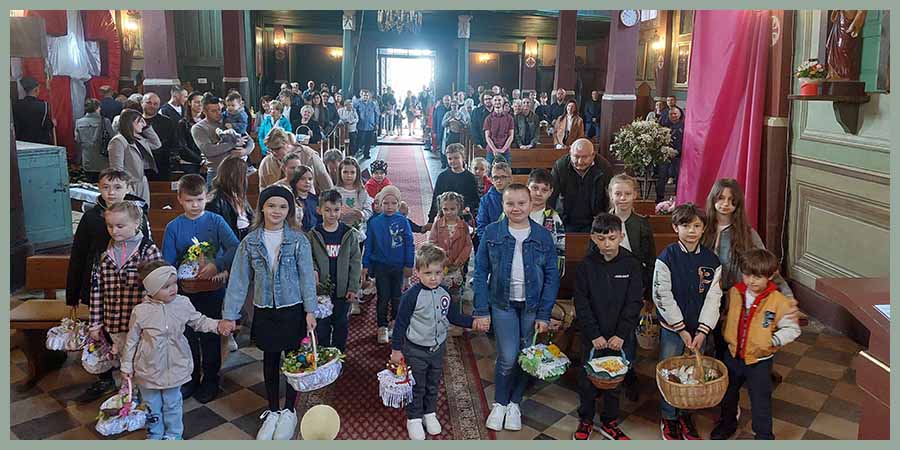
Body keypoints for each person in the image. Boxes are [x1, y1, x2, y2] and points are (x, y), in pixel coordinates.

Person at [220, 185, 318, 440]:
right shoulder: (250, 242)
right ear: (262, 208)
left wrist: (310, 310)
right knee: (270, 360)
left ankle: (289, 410)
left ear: (289, 210)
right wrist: (230, 314)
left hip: (293, 309)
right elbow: (239, 280)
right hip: (265, 310)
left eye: (283, 206)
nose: (277, 211)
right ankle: (273, 410)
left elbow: (307, 277)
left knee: (294, 361)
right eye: (271, 205)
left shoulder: (298, 240)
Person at [474, 184, 560, 432]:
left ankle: (514, 403)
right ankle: (500, 403)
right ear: (503, 205)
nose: (516, 208)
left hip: (532, 305)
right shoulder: (492, 232)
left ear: (530, 204)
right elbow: (480, 272)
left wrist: (544, 314)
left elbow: (552, 276)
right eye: (510, 203)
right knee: (508, 357)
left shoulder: (542, 235)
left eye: (521, 203)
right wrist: (481, 309)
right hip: (503, 303)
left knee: (526, 355)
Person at [120, 260, 229, 440]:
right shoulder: (140, 311)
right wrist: (126, 366)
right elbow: (131, 340)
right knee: (151, 405)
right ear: (151, 289)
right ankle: (155, 434)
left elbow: (199, 321)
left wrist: (218, 325)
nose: (173, 289)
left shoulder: (183, 303)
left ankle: (173, 435)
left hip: (175, 366)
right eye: (166, 286)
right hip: (148, 369)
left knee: (173, 404)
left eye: (174, 283)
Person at [66, 169, 150, 403]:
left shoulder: (138, 213)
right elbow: (78, 254)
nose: (111, 192)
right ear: (99, 188)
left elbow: (147, 246)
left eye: (118, 187)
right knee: (100, 334)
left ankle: (132, 380)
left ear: (128, 188)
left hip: (130, 289)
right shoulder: (91, 217)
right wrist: (72, 294)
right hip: (98, 286)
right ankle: (104, 377)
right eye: (106, 187)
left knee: (130, 336)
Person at [161, 174, 240, 403]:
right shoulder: (174, 227)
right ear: (179, 199)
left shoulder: (215, 221)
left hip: (211, 288)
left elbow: (234, 246)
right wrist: (174, 282)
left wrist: (217, 265)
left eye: (199, 200)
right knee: (187, 336)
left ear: (207, 197)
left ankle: (211, 379)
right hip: (185, 291)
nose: (195, 205)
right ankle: (191, 377)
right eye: (189, 201)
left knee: (210, 336)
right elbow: (168, 261)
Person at [390, 244, 482, 440]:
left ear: (443, 271)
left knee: (433, 383)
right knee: (417, 385)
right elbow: (400, 324)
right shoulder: (411, 296)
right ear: (418, 272)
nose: (433, 278)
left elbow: (453, 316)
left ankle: (429, 413)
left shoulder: (445, 293)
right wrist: (396, 350)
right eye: (428, 273)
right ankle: (414, 418)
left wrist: (473, 322)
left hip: (437, 349)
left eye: (438, 273)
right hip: (415, 350)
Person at [701, 179, 797, 361]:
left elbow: (766, 267)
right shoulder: (702, 227)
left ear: (738, 204)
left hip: (734, 299)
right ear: (713, 198)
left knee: (726, 346)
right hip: (704, 296)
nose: (725, 204)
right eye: (721, 198)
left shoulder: (747, 234)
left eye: (731, 200)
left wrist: (788, 296)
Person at [710, 249, 801, 440]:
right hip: (732, 356)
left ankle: (764, 435)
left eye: (758, 277)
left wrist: (772, 341)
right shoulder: (735, 292)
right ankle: (727, 424)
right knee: (728, 395)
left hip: (759, 361)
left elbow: (793, 329)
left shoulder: (778, 301)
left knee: (760, 400)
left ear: (771, 276)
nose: (751, 281)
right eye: (747, 275)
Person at [653, 203, 723, 440]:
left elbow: (713, 298)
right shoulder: (667, 258)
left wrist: (702, 331)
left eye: (696, 226)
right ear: (675, 228)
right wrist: (681, 329)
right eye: (685, 226)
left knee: (694, 372)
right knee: (670, 371)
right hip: (674, 330)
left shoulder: (712, 260)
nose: (691, 231)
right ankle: (669, 417)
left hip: (699, 331)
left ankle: (686, 416)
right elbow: (662, 296)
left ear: (703, 229)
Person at [572, 213, 643, 441]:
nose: (607, 244)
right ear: (593, 238)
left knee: (615, 381)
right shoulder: (586, 266)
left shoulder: (631, 264)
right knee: (587, 380)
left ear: (621, 236)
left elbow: (634, 302)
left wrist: (621, 334)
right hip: (593, 336)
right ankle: (585, 419)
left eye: (612, 238)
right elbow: (581, 303)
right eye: (601, 239)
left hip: (619, 337)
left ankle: (610, 422)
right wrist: (593, 334)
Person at [87, 202, 163, 397]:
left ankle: (146, 394)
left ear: (136, 223)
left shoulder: (147, 250)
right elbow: (96, 289)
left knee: (143, 359)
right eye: (110, 226)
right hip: (114, 323)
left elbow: (158, 288)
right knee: (124, 359)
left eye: (120, 226)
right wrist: (95, 323)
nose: (114, 231)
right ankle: (129, 393)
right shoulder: (105, 253)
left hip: (140, 324)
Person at [607, 174, 656, 401]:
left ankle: (628, 371)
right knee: (608, 328)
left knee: (627, 330)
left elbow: (650, 259)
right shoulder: (603, 221)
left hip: (633, 288)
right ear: (611, 195)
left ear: (635, 195)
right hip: (608, 287)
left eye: (627, 194)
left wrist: (648, 293)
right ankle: (607, 370)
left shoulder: (641, 224)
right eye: (618, 194)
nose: (622, 198)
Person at [309, 189, 362, 352]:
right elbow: (310, 259)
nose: (332, 214)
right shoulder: (314, 234)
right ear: (319, 210)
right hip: (322, 291)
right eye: (327, 210)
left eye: (336, 210)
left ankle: (339, 354)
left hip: (342, 290)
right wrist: (314, 271)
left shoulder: (349, 234)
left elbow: (355, 262)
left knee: (341, 324)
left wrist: (353, 287)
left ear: (341, 210)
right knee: (322, 326)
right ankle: (325, 354)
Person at [364, 185, 415, 344]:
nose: (390, 207)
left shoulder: (403, 221)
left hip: (398, 266)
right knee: (383, 296)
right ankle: (382, 326)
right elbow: (369, 245)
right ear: (380, 204)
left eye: (394, 203)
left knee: (397, 296)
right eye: (386, 203)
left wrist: (409, 264)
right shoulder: (374, 223)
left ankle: (394, 322)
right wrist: (366, 264)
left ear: (399, 204)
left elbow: (409, 243)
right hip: (381, 267)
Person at [549, 138, 614, 232]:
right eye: (576, 156)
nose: (580, 161)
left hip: (596, 220)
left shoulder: (604, 168)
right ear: (570, 153)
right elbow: (551, 195)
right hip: (567, 220)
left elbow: (611, 196)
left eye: (584, 157)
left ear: (593, 155)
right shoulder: (560, 166)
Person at [191, 94, 254, 185]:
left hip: (238, 171)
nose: (218, 113)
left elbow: (250, 141)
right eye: (213, 111)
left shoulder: (227, 121)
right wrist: (233, 144)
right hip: (217, 172)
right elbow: (208, 150)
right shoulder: (199, 128)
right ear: (204, 111)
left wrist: (245, 151)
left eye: (219, 109)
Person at [426, 192, 473, 304]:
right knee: (438, 291)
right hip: (440, 265)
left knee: (455, 294)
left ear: (459, 208)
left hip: (457, 267)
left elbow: (467, 245)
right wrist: (443, 258)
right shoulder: (437, 224)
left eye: (452, 209)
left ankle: (454, 310)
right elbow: (432, 243)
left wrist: (459, 261)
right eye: (445, 209)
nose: (449, 212)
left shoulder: (463, 226)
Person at [108, 109, 162, 203]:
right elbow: (116, 168)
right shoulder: (118, 141)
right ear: (131, 123)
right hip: (129, 184)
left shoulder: (138, 138)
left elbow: (156, 144)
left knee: (144, 209)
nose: (143, 124)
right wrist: (125, 187)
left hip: (142, 181)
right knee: (131, 210)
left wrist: (147, 128)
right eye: (140, 121)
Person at [427, 143, 480, 225]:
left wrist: (469, 207)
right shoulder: (442, 177)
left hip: (464, 216)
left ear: (463, 158)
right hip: (445, 216)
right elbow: (436, 198)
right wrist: (431, 219)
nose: (453, 161)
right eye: (450, 158)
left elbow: (475, 199)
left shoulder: (470, 177)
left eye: (456, 158)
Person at [525, 169, 565, 274]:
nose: (538, 193)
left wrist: (552, 278)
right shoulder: (514, 212)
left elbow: (560, 253)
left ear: (551, 192)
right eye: (535, 188)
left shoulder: (554, 219)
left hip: (542, 275)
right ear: (527, 187)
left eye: (544, 190)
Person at [206, 157, 254, 242]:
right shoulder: (215, 199)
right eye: (245, 174)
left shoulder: (238, 194)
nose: (246, 178)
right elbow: (216, 230)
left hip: (247, 236)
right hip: (233, 240)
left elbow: (250, 217)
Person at [142, 92, 183, 181]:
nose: (152, 106)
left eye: (155, 104)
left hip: (161, 166)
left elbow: (174, 143)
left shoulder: (167, 122)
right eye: (149, 103)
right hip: (140, 165)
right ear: (142, 103)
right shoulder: (135, 121)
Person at [335, 157, 374, 241]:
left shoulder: (362, 192)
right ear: (340, 173)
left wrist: (362, 214)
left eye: (352, 172)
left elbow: (369, 210)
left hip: (358, 233)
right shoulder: (335, 191)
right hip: (339, 232)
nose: (349, 175)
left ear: (357, 174)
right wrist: (338, 213)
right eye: (345, 172)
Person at [75, 98, 114, 182]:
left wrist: (78, 159)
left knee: (91, 184)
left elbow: (78, 141)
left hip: (88, 160)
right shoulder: (105, 121)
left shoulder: (79, 122)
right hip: (103, 161)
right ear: (97, 108)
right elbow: (113, 139)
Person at [13, 76, 55, 144]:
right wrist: (52, 123)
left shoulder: (17, 105)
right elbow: (46, 125)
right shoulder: (43, 105)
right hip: (40, 143)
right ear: (36, 90)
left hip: (22, 143)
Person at [475, 161, 511, 239]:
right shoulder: (485, 200)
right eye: (495, 177)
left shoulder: (517, 196)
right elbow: (482, 225)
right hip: (492, 241)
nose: (499, 180)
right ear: (491, 179)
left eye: (503, 177)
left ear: (510, 178)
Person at [483, 95, 515, 165]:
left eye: (499, 100)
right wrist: (494, 149)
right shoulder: (488, 119)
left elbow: (511, 136)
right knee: (489, 171)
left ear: (503, 102)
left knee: (506, 171)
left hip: (505, 151)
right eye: (495, 100)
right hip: (491, 151)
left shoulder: (509, 118)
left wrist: (503, 149)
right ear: (492, 102)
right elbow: (487, 137)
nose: (497, 102)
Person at [290, 166, 320, 232]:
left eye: (310, 179)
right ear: (295, 179)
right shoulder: (290, 199)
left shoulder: (316, 199)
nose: (307, 182)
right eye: (302, 179)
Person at [440, 101, 468, 168]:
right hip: (450, 134)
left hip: (459, 135)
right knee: (449, 149)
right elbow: (443, 124)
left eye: (455, 105)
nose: (454, 107)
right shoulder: (448, 114)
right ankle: (448, 164)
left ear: (458, 106)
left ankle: (459, 163)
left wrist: (459, 120)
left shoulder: (461, 114)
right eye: (452, 105)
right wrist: (449, 119)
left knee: (458, 149)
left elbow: (465, 124)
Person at [354, 89, 379, 160]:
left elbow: (377, 114)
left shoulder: (373, 104)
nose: (366, 97)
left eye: (367, 95)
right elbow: (355, 113)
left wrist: (376, 123)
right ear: (361, 95)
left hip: (370, 125)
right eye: (364, 95)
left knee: (368, 141)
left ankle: (366, 153)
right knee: (359, 140)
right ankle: (356, 152)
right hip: (361, 125)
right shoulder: (357, 103)